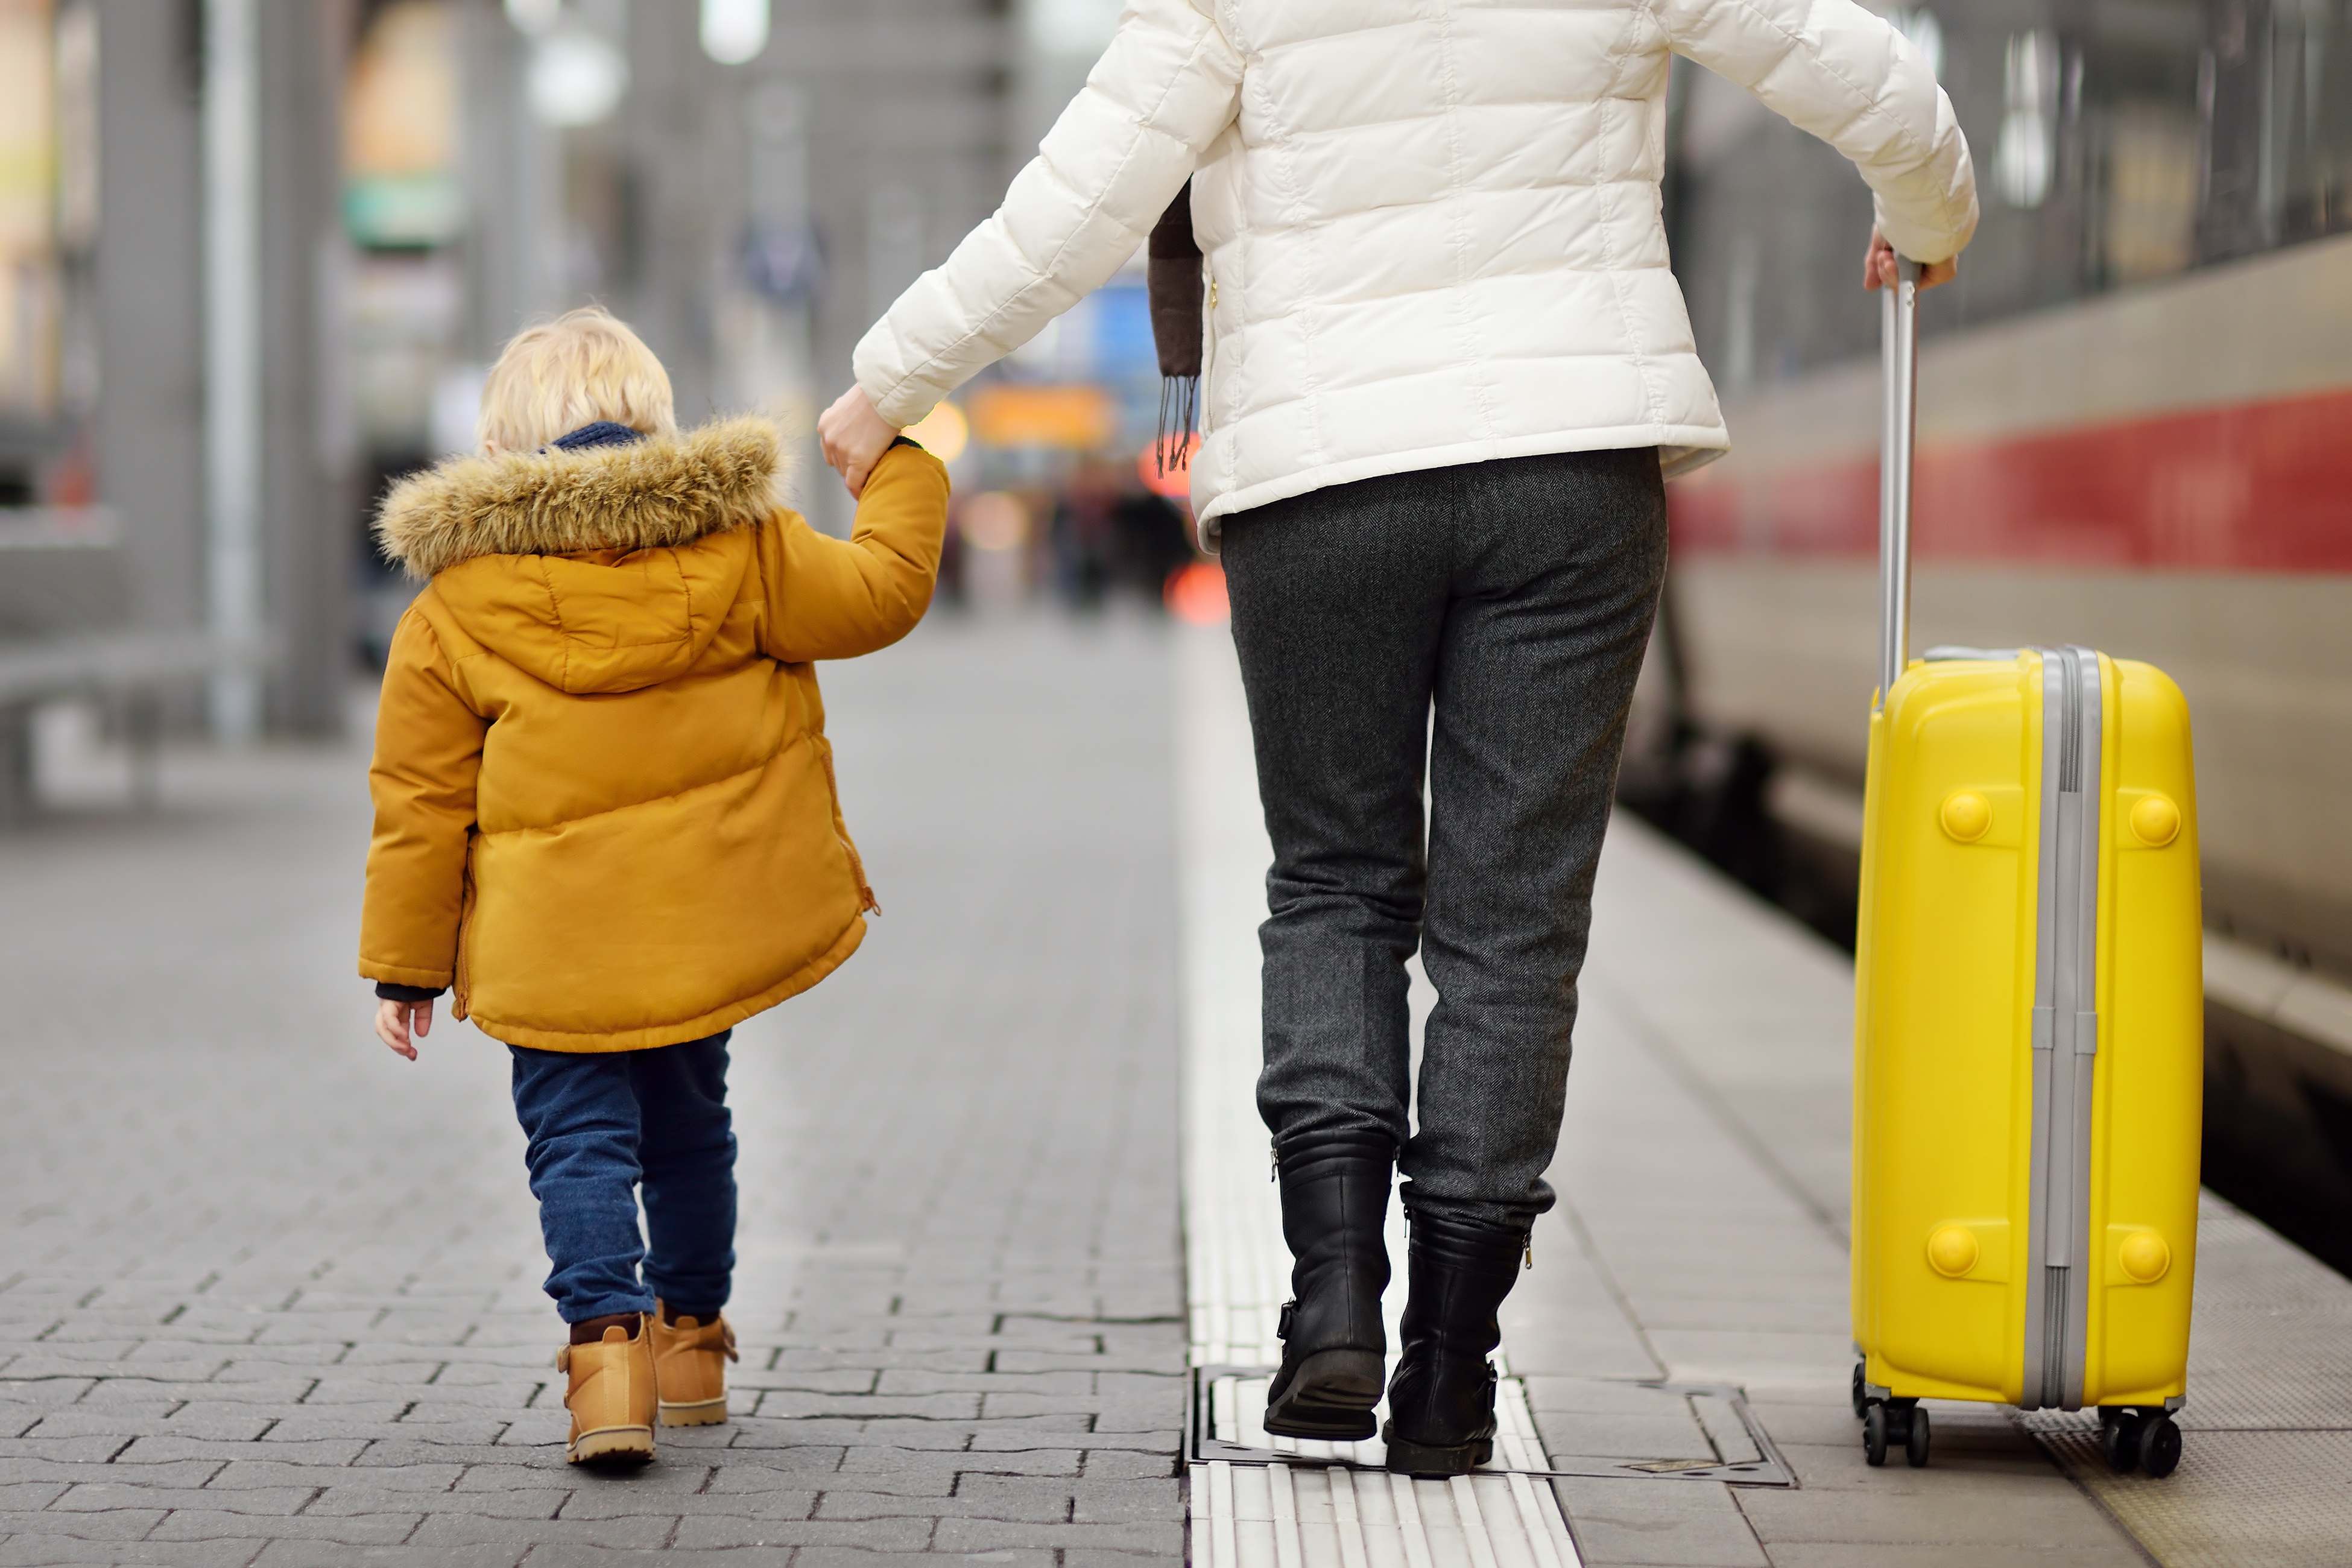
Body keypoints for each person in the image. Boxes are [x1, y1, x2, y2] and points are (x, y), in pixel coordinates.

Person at [821, 1, 1976, 1477]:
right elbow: (1859, 69)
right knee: (1513, 932)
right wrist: (1925, 212)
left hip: (1321, 484)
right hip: (1573, 472)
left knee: (1337, 886)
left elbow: (1073, 206)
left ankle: (1334, 1312)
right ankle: (1450, 1373)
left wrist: (888, 383)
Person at [359, 308, 949, 1467]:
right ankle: (690, 1349)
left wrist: (406, 964)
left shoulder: (455, 604)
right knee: (691, 1132)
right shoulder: (745, 546)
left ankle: (605, 1371)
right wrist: (901, 462)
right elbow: (884, 592)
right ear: (652, 416)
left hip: (552, 948)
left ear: (502, 437)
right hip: (700, 929)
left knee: (578, 1144)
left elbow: (419, 801)